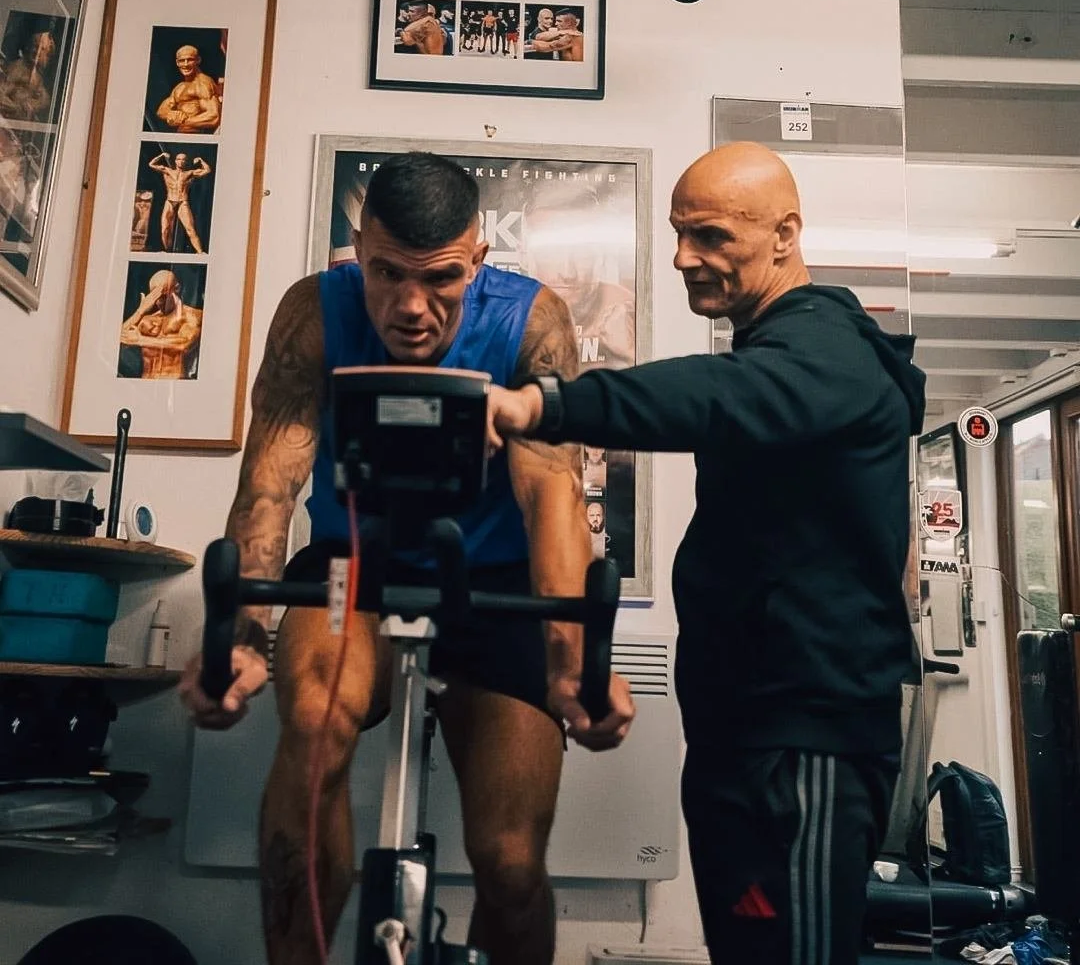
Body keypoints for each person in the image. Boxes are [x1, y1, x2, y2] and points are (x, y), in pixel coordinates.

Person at [178, 152, 635, 965]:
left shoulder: (531, 322)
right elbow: (270, 488)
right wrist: (242, 638)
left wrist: (571, 661)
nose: (413, 306)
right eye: (387, 274)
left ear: (478, 260)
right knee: (314, 722)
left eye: (444, 280)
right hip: (354, 562)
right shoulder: (314, 314)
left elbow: (552, 498)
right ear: (359, 249)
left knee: (509, 861)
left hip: (493, 578)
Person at [486, 141, 927, 965]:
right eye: (680, 234)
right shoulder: (779, 349)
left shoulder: (824, 350)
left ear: (785, 235)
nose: (686, 257)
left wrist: (548, 403)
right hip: (746, 728)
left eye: (713, 236)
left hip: (805, 742)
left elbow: (712, 400)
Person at [119, 268, 203, 380]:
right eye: (155, 298)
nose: (160, 302)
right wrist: (140, 311)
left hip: (175, 386)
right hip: (146, 384)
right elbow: (118, 340)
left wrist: (140, 340)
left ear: (176, 288)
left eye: (163, 296)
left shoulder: (192, 316)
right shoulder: (147, 320)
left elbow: (184, 345)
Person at [148, 151, 212, 253]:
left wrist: (200, 160)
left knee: (190, 229)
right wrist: (161, 156)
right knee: (165, 229)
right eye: (179, 159)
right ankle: (166, 251)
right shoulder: (167, 171)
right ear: (175, 161)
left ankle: (200, 252)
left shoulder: (189, 173)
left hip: (183, 201)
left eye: (183, 160)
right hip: (170, 201)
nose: (181, 161)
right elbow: (151, 164)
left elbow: (207, 170)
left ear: (185, 162)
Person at [155, 44, 221, 133]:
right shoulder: (180, 87)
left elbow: (214, 117)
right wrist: (171, 114)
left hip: (199, 140)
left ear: (198, 60)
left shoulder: (203, 83)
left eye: (190, 60)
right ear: (177, 63)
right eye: (182, 61)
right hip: (183, 138)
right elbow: (161, 111)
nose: (185, 64)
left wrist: (182, 121)